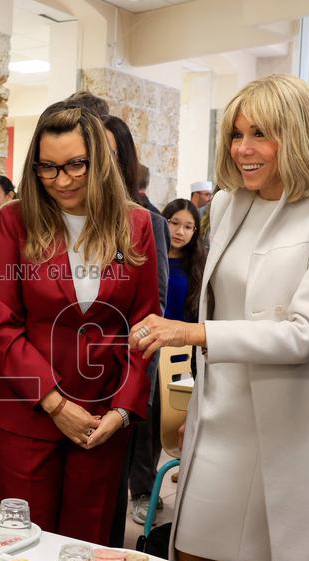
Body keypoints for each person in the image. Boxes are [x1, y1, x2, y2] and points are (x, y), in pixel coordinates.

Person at [132, 74, 309, 561]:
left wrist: (197, 334)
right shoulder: (229, 204)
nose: (243, 149)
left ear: (301, 134)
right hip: (223, 409)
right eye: (236, 135)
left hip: (290, 415)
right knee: (197, 556)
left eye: (261, 133)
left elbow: (304, 333)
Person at [0, 102, 159, 545]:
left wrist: (122, 411)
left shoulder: (136, 224)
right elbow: (1, 325)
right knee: (23, 549)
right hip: (27, 413)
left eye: (75, 165)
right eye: (47, 167)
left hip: (102, 421)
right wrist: (55, 404)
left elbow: (143, 326)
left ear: (98, 160)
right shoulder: (16, 221)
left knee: (87, 550)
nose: (61, 180)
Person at [100, 113, 169, 537]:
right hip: (67, 377)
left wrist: (133, 387)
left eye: (108, 152)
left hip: (119, 372)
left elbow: (151, 307)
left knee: (108, 499)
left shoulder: (147, 221)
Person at [160, 198, 205, 323]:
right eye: (174, 223)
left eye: (188, 227)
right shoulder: (149, 257)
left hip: (184, 332)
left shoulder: (199, 264)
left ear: (194, 231)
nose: (180, 232)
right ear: (163, 221)